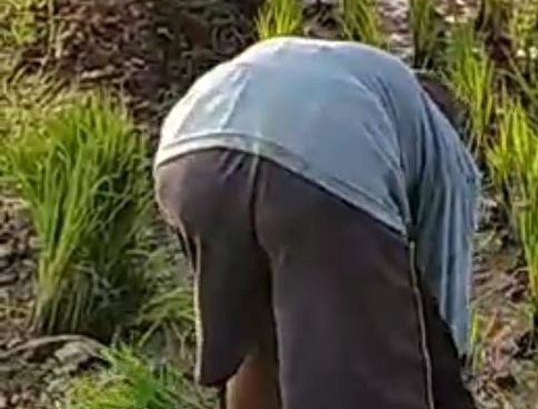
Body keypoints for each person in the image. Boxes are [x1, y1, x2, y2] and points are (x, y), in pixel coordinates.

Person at [154, 37, 480, 409]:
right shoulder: (446, 149)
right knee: (368, 372)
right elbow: (442, 280)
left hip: (187, 158)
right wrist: (449, 374)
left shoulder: (362, 76)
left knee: (259, 339)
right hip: (316, 162)